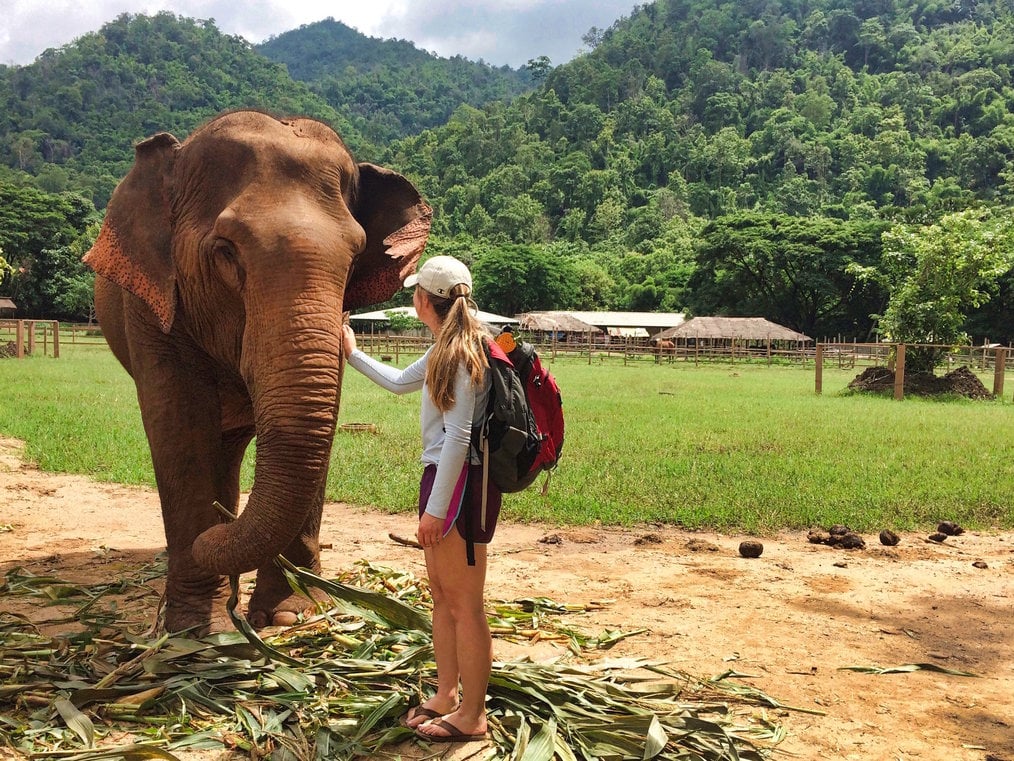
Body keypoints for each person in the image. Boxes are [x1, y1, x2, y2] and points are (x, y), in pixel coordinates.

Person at [341, 255, 501, 743]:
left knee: (465, 602)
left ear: (421, 302)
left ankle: (473, 715)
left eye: (413, 293)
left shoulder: (461, 354)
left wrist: (436, 511)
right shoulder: (444, 350)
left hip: (460, 485)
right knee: (441, 595)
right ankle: (447, 693)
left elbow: (459, 436)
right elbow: (396, 382)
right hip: (442, 478)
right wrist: (351, 352)